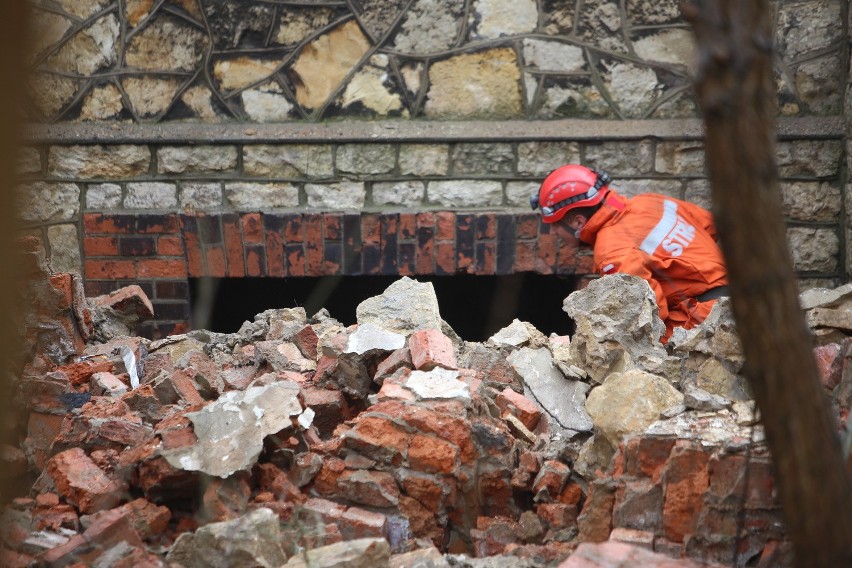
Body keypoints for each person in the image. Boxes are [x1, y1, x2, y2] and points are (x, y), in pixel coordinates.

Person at [530, 164, 728, 343]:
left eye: (555, 224)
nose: (553, 232)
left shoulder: (611, 250)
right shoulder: (649, 201)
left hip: (706, 321)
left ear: (578, 222)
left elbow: (647, 314)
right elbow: (709, 224)